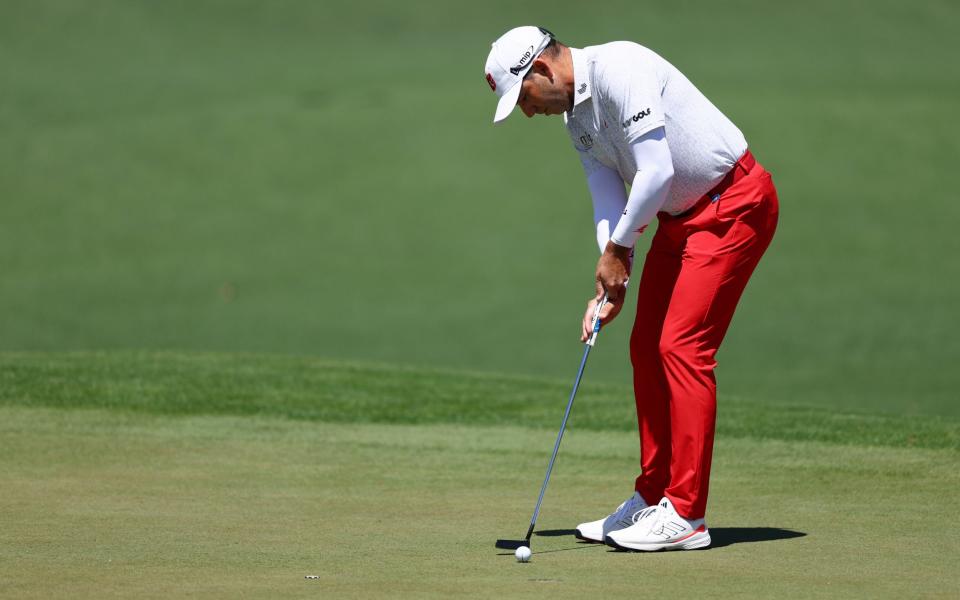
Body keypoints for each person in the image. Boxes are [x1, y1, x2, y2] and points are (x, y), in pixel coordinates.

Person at [483, 26, 779, 551]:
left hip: (733, 206)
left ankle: (686, 515)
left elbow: (657, 171)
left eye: (523, 97)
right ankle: (653, 496)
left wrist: (620, 250)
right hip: (679, 221)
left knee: (681, 348)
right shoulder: (577, 117)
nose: (527, 113)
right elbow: (606, 192)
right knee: (646, 346)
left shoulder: (620, 68)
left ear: (544, 71)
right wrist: (613, 267)